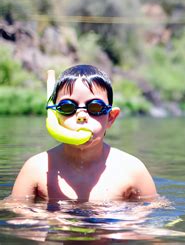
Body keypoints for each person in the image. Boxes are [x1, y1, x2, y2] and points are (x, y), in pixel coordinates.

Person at [10, 64, 157, 202]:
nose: (81, 116)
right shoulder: (36, 168)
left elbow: (155, 216)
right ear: (54, 116)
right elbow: (17, 215)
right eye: (67, 107)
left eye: (95, 107)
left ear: (111, 118)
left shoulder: (132, 170)